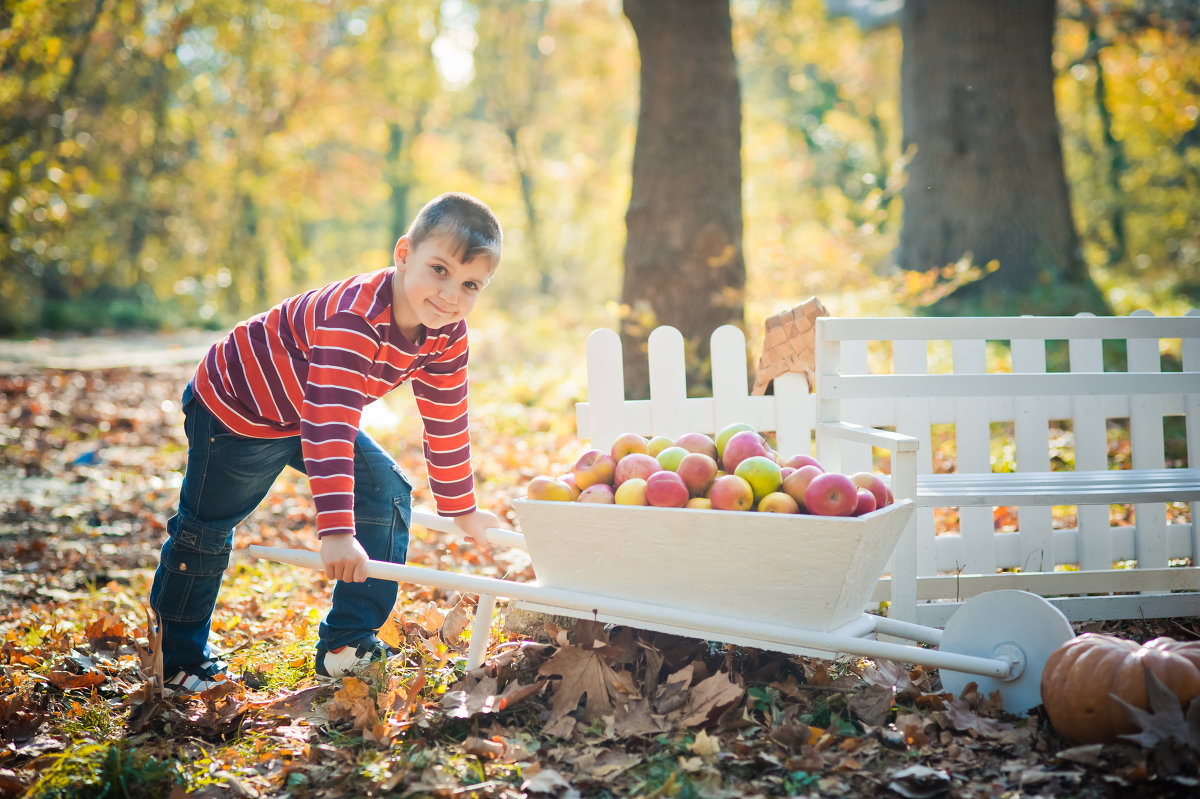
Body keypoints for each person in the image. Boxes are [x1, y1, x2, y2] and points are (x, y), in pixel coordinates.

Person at [149, 192, 504, 694]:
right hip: (240, 406)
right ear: (403, 255)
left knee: (386, 491)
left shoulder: (446, 334)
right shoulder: (355, 318)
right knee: (207, 529)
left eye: (470, 284)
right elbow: (331, 426)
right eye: (439, 270)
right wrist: (336, 529)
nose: (451, 294)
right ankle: (176, 661)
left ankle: (347, 643)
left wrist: (461, 508)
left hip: (310, 408)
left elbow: (446, 418)